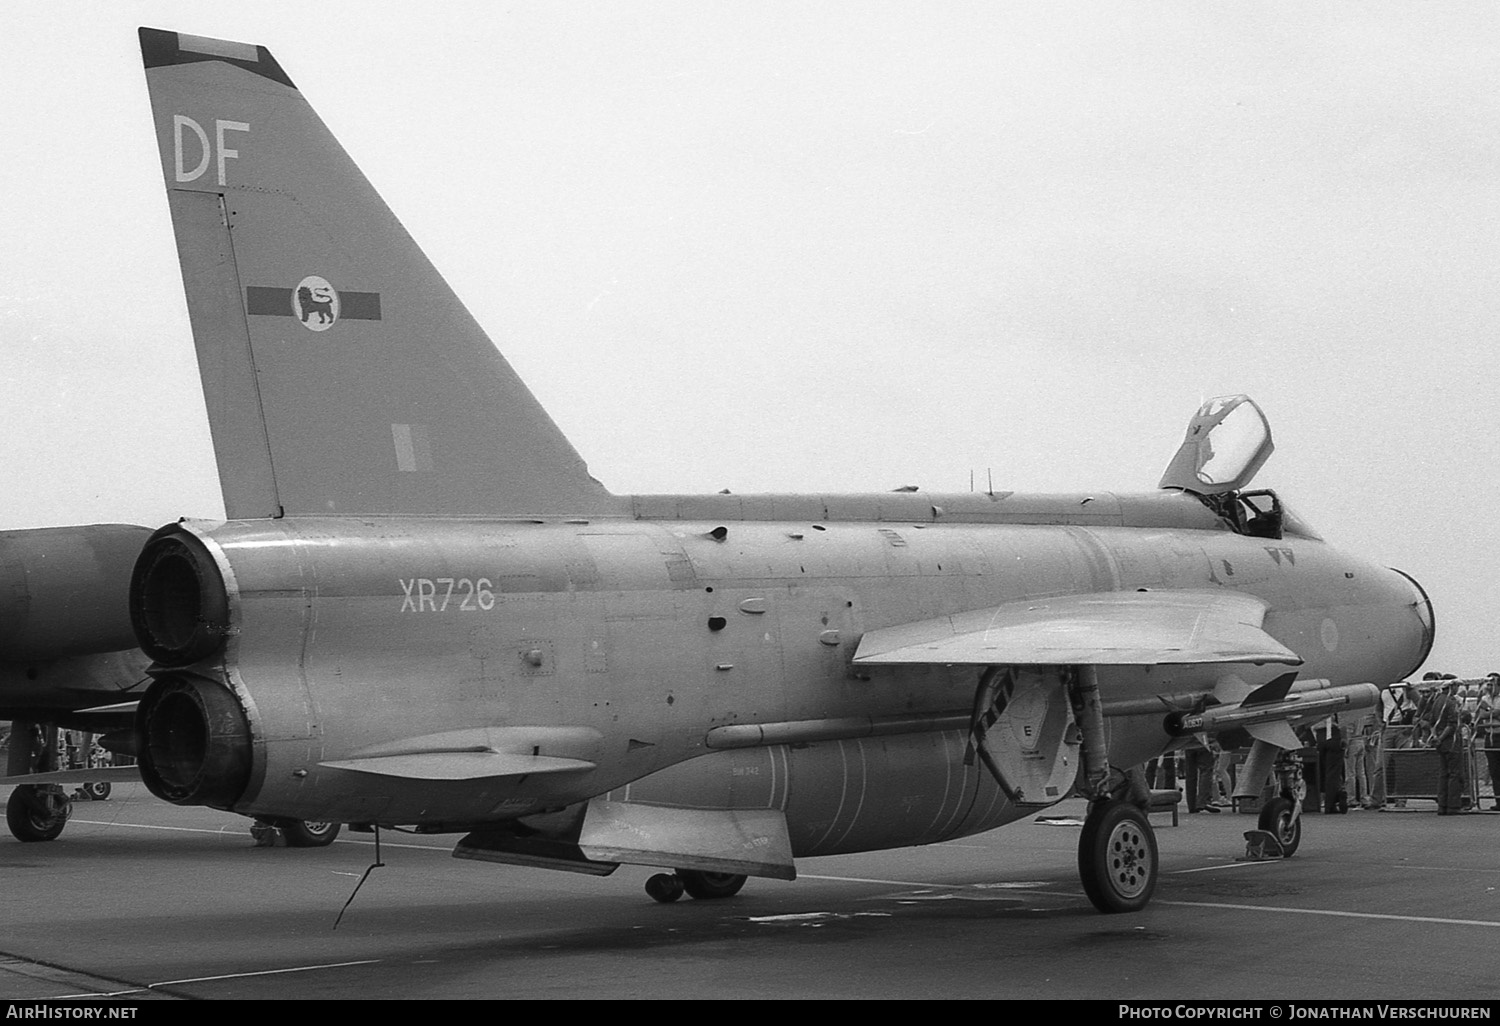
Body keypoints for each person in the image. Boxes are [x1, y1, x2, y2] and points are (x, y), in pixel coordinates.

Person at [1477, 674, 1500, 811]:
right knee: (1494, 771)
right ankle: (1498, 801)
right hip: (1490, 737)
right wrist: (1494, 713)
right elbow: (1482, 716)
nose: (1489, 686)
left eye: (1492, 683)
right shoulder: (1484, 699)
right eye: (1488, 684)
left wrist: (1488, 710)